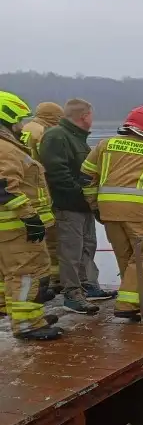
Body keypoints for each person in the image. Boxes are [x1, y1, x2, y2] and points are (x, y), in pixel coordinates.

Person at [80, 105, 143, 320]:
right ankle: (128, 304)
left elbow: (86, 177)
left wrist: (95, 204)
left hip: (108, 211)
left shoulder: (105, 145)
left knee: (126, 255)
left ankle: (142, 296)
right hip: (141, 212)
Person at [41, 98, 116, 315]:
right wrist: (79, 194)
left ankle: (88, 285)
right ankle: (72, 294)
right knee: (70, 252)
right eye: (91, 115)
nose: (93, 120)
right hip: (69, 205)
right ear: (84, 116)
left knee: (87, 247)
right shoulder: (57, 136)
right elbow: (57, 172)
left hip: (84, 205)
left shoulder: (77, 138)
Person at [0, 91, 62, 340]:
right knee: (28, 274)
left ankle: (21, 315)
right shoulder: (5, 149)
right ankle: (27, 324)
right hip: (17, 226)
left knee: (11, 274)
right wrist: (30, 217)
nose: (23, 125)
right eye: (19, 120)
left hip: (10, 226)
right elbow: (4, 186)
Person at [20, 102, 64, 293]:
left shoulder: (25, 129)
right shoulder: (44, 132)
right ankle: (55, 281)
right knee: (52, 241)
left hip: (24, 193)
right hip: (41, 192)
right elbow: (50, 162)